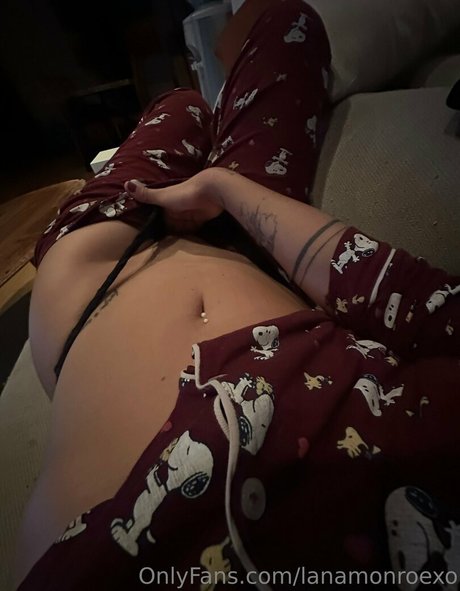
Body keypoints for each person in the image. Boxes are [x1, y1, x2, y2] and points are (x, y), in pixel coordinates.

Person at [15, 0, 460, 589]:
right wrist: (223, 188)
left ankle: (209, 120)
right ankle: (214, 132)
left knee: (181, 106)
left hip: (96, 276)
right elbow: (407, 295)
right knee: (286, 24)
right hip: (251, 236)